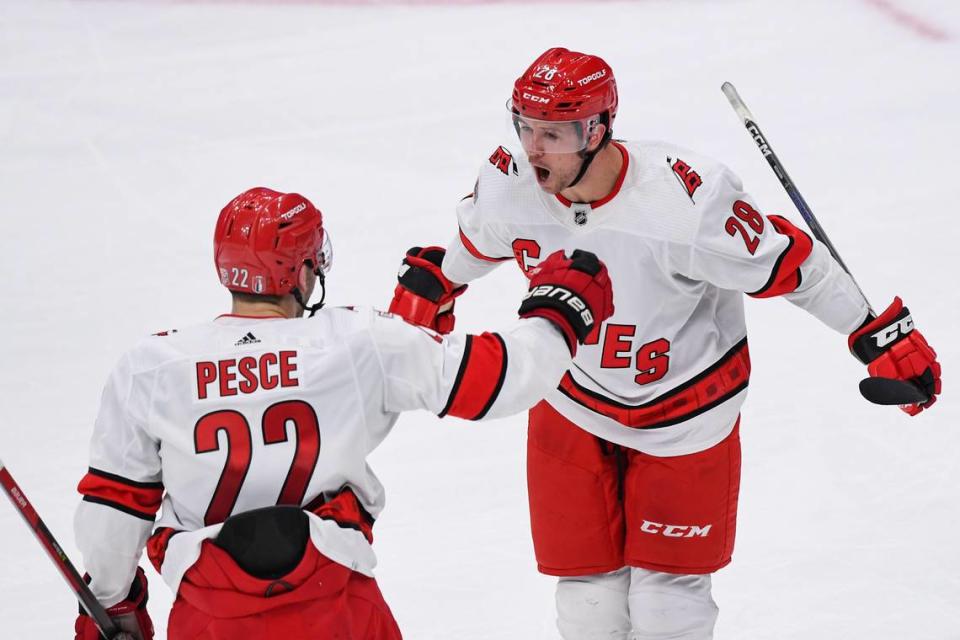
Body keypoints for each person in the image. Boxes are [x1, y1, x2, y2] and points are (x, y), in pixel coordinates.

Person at [388, 48, 942, 639]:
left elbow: (792, 265)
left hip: (687, 414)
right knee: (588, 605)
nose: (533, 148)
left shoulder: (688, 202)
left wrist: (877, 333)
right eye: (524, 126)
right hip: (572, 401)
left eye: (552, 132)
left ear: (597, 129)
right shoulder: (510, 184)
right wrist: (438, 281)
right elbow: (474, 246)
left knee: (667, 607)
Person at [72, 186, 614, 639]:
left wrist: (113, 605)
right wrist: (557, 313)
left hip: (212, 619)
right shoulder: (359, 341)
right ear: (304, 268)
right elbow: (497, 380)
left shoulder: (152, 366)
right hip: (339, 610)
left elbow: (114, 510)